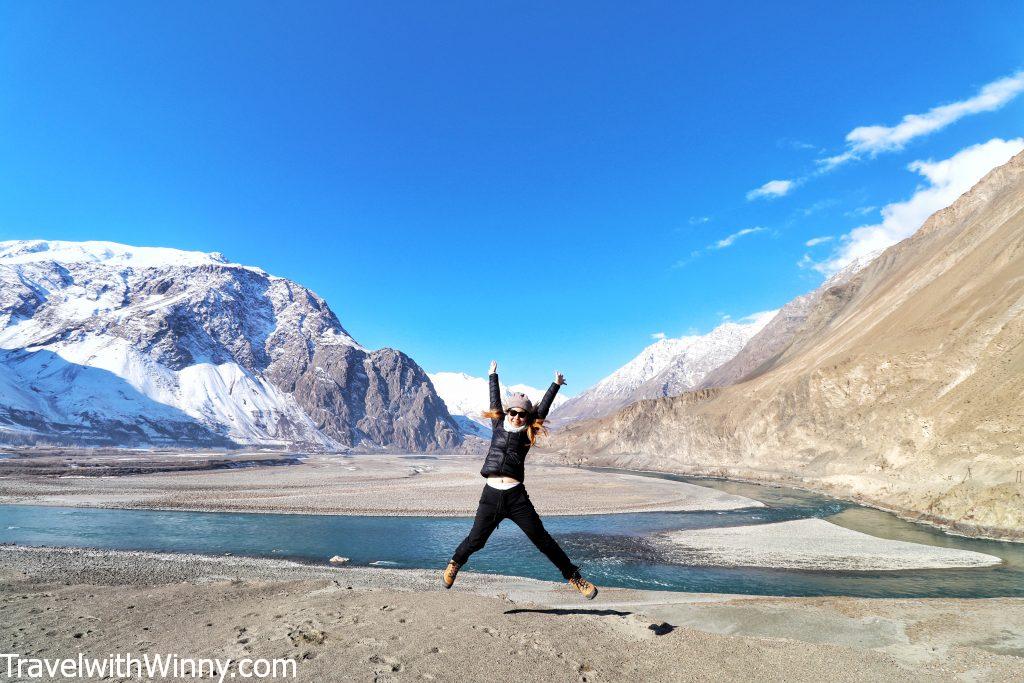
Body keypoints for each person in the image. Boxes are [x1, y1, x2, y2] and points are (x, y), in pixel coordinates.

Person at [442, 360, 598, 600]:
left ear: (526, 417)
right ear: (508, 412)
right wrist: (492, 376)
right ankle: (455, 563)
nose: (516, 417)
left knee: (542, 540)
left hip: (516, 497)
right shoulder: (497, 425)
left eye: (521, 414)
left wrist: (555, 385)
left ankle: (575, 578)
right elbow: (494, 401)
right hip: (491, 496)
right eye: (513, 412)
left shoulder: (527, 434)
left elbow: (542, 410)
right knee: (476, 540)